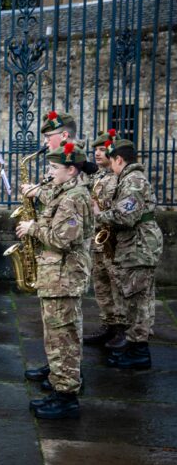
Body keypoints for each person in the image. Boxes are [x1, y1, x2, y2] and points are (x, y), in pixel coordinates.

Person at [19, 142, 97, 419]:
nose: (49, 172)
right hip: (57, 275)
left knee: (63, 336)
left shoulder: (74, 197)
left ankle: (66, 396)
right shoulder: (67, 192)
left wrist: (33, 228)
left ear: (72, 170)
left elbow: (63, 239)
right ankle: (60, 383)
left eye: (54, 167)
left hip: (64, 276)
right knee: (57, 334)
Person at [95, 138, 163, 370]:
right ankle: (135, 348)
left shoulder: (133, 181)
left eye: (112, 160)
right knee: (137, 298)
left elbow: (126, 216)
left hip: (139, 246)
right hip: (136, 246)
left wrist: (98, 215)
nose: (111, 165)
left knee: (138, 300)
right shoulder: (130, 178)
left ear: (119, 159)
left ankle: (139, 352)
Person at [82, 130, 127, 349]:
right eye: (96, 150)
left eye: (102, 149)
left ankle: (121, 329)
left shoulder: (120, 177)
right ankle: (107, 324)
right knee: (100, 285)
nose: (97, 154)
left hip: (115, 240)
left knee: (117, 285)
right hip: (98, 240)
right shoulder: (98, 176)